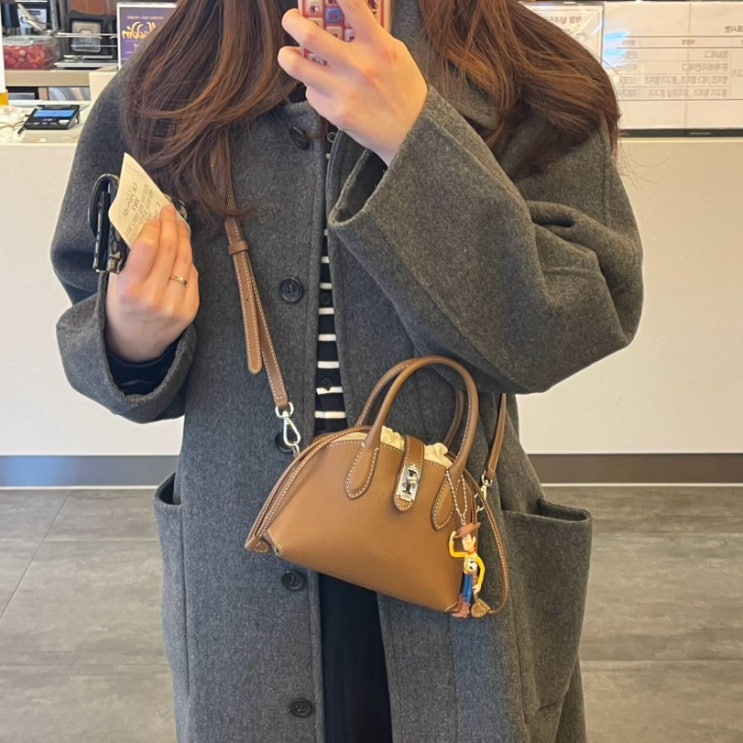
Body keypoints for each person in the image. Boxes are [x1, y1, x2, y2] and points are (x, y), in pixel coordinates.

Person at [51, 0, 643, 740]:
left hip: (452, 539)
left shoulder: (525, 74)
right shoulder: (167, 84)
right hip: (246, 551)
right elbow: (90, 290)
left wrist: (417, 139)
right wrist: (130, 336)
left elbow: (567, 320)